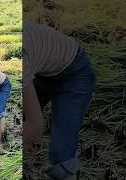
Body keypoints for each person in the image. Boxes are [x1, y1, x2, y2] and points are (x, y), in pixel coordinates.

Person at [23, 22, 97, 180]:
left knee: (61, 149)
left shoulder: (19, 57)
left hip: (76, 74)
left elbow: (36, 125)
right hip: (43, 74)